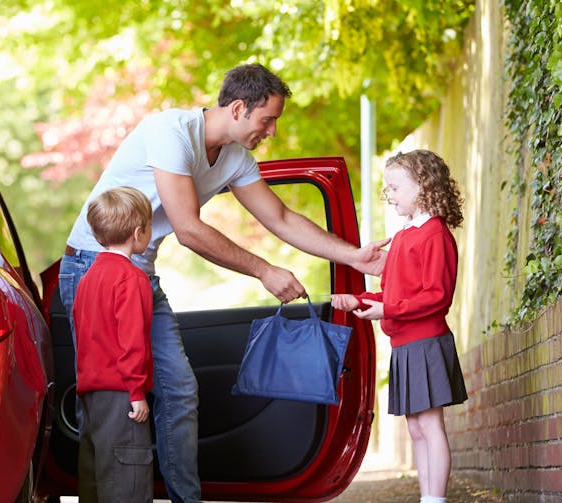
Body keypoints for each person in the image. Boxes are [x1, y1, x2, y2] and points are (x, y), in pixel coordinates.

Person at [60, 62, 389, 502]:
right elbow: (188, 229)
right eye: (267, 119)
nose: (271, 131)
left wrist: (354, 256)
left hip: (140, 273)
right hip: (93, 268)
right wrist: (264, 270)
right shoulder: (170, 132)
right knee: (108, 400)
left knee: (179, 390)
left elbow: (281, 217)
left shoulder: (235, 159)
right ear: (237, 108)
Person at [331, 149, 468, 503]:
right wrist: (359, 300)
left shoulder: (434, 234)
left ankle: (435, 499)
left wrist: (386, 307)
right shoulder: (405, 235)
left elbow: (437, 296)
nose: (388, 195)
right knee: (416, 427)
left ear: (423, 186)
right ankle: (428, 496)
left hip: (427, 341)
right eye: (387, 188)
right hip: (405, 344)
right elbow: (394, 292)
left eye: (394, 187)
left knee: (431, 425)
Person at [72, 186, 154, 503]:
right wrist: (137, 393)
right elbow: (131, 340)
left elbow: (84, 336)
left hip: (90, 394)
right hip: (121, 395)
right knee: (126, 480)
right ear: (138, 233)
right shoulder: (132, 279)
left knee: (95, 478)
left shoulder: (87, 279)